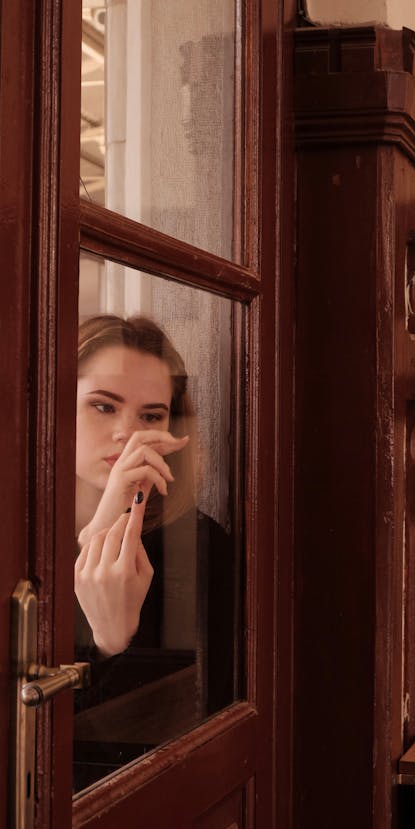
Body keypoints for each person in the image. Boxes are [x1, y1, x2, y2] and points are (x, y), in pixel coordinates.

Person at [73, 314, 235, 790]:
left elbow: (172, 728)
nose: (128, 433)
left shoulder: (198, 545)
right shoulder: (19, 529)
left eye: (151, 415)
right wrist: (102, 524)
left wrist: (109, 643)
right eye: (103, 407)